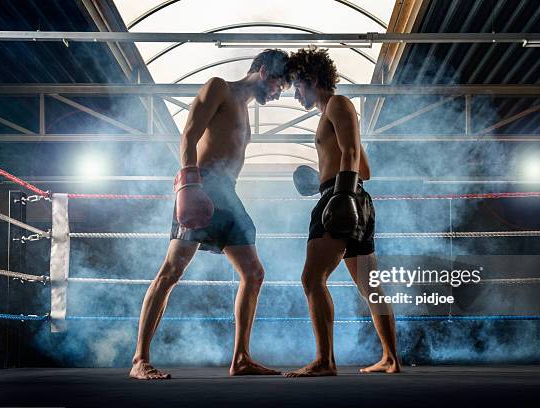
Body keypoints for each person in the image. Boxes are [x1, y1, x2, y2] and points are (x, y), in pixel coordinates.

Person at [130, 49, 290, 379]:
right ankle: (139, 360)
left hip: (228, 197)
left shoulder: (246, 115)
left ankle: (241, 358)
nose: (279, 93)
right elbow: (188, 134)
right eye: (279, 84)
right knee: (172, 270)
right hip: (202, 185)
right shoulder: (219, 87)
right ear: (262, 71)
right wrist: (188, 184)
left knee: (254, 273)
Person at [285, 48, 400, 377]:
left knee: (311, 279)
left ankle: (324, 360)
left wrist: (339, 194)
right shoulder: (335, 112)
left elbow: (350, 153)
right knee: (370, 287)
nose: (295, 94)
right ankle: (391, 358)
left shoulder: (337, 104)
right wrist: (323, 180)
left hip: (342, 196)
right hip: (350, 195)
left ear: (311, 80)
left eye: (297, 86)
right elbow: (365, 167)